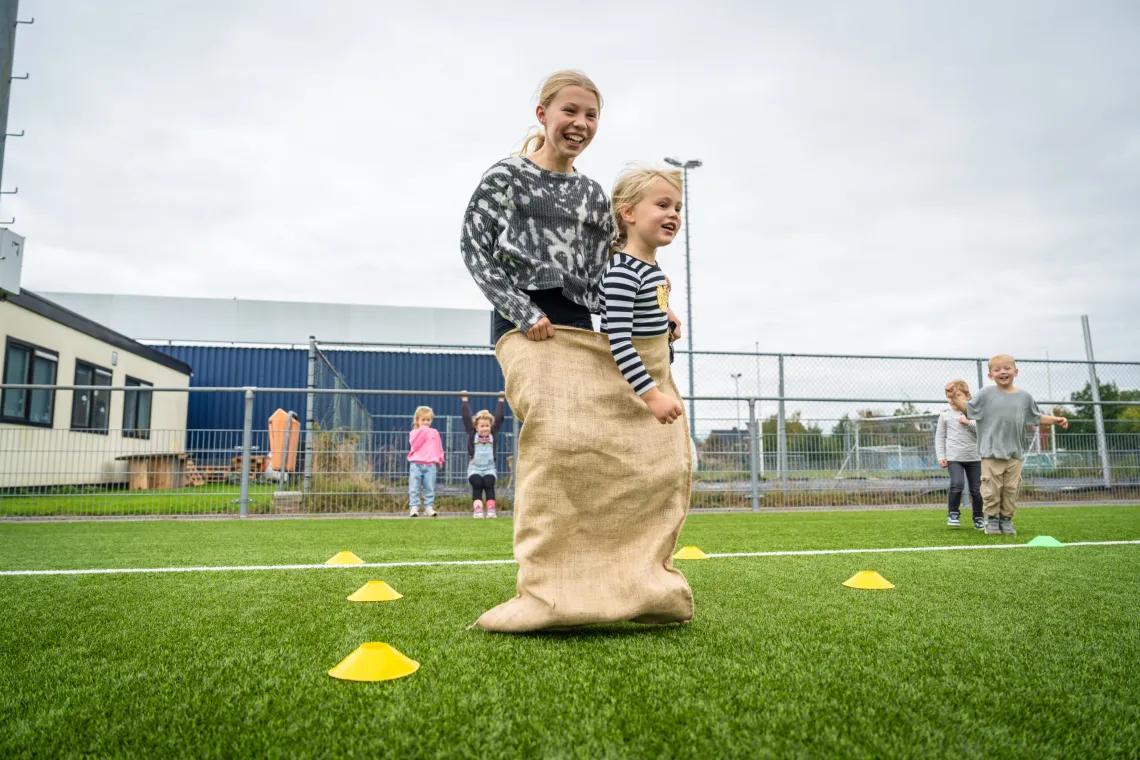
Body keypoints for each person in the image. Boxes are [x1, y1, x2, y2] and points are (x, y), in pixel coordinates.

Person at [460, 69, 682, 346]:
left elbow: (614, 259)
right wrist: (521, 312)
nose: (580, 123)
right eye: (570, 111)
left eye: (591, 115)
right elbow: (473, 248)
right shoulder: (506, 176)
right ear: (543, 114)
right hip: (522, 320)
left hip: (579, 320)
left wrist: (659, 303)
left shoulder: (592, 193)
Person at [601, 166, 686, 424]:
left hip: (655, 378)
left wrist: (668, 316)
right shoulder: (623, 273)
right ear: (628, 213)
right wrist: (653, 398)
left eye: (678, 208)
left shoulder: (652, 270)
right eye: (662, 205)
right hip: (635, 393)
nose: (673, 213)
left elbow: (650, 304)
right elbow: (620, 342)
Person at [951, 354, 1068, 535]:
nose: (1002, 372)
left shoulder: (1024, 397)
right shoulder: (985, 394)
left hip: (1015, 454)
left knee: (1011, 490)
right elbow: (968, 409)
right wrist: (954, 397)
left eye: (1006, 368)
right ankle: (991, 520)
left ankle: (1006, 520)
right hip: (991, 453)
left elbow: (1035, 417)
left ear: (1015, 371)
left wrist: (1056, 420)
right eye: (997, 370)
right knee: (991, 489)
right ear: (991, 375)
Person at [935, 379, 983, 529]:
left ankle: (978, 517)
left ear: (967, 396)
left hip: (975, 457)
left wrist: (968, 422)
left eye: (957, 395)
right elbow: (940, 437)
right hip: (954, 458)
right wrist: (941, 456)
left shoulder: (974, 414)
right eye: (949, 396)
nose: (952, 399)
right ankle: (953, 513)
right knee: (957, 484)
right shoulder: (944, 416)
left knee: (977, 489)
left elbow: (983, 431)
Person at [461, 391, 506, 519]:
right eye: (482, 426)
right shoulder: (472, 433)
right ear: (476, 427)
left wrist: (501, 401)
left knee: (488, 482)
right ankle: (478, 510)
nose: (485, 428)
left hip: (489, 467)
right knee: (477, 483)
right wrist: (464, 400)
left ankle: (491, 510)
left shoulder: (493, 433)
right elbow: (466, 417)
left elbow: (499, 418)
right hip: (475, 466)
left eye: (487, 426)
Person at [407, 405, 444, 518]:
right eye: (423, 420)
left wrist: (440, 458)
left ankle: (428, 507)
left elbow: (438, 446)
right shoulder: (414, 433)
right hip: (416, 464)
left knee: (429, 487)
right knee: (414, 487)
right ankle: (414, 507)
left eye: (428, 420)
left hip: (430, 465)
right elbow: (415, 445)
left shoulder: (435, 432)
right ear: (417, 420)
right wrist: (423, 430)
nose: (426, 422)